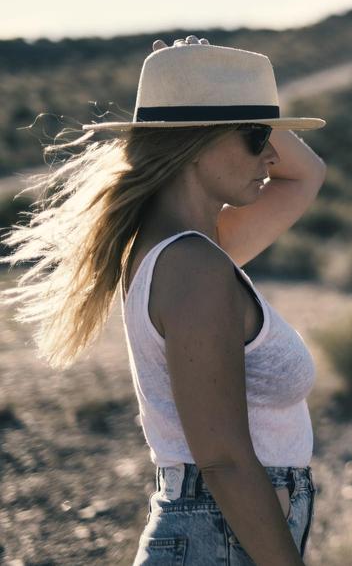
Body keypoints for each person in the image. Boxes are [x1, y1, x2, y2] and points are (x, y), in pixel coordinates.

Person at [1, 36, 327, 565]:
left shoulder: (191, 250)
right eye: (256, 136)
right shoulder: (194, 266)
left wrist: (216, 82)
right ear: (194, 142)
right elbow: (222, 460)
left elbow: (305, 174)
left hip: (221, 538)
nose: (271, 152)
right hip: (219, 541)